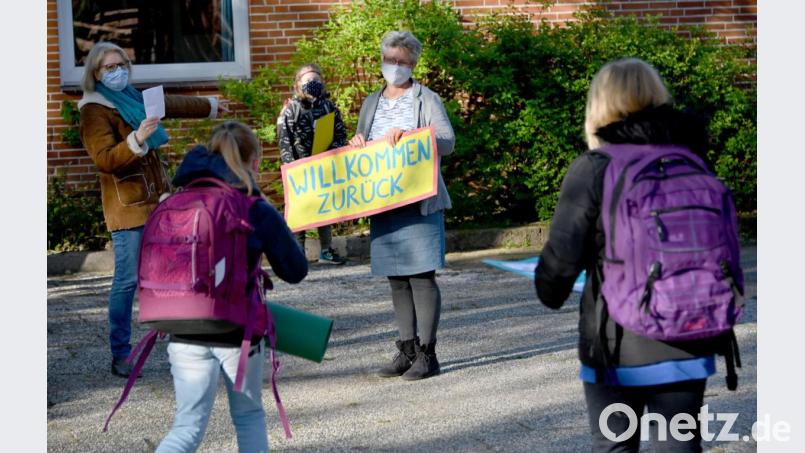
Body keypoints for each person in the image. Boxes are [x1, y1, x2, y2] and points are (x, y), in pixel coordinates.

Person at [534, 58, 724, 452]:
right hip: (689, 334)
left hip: (617, 344)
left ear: (600, 106)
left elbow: (560, 265)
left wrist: (549, 289)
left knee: (615, 446)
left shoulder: (594, 168)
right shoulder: (690, 160)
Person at [155, 121, 308, 452]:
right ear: (254, 161)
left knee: (186, 429)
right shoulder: (255, 208)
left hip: (182, 327)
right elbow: (295, 270)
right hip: (236, 331)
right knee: (248, 416)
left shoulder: (179, 199)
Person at [78, 41, 227, 378]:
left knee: (173, 273)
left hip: (159, 201)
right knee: (127, 281)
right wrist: (137, 139)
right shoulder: (94, 110)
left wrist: (210, 106)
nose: (117, 72)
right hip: (128, 208)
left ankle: (187, 341)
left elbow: (170, 104)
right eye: (109, 68)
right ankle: (121, 353)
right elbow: (104, 160)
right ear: (96, 73)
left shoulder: (131, 97)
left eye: (122, 65)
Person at [348, 31, 455, 380]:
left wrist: (411, 138)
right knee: (396, 278)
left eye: (402, 61)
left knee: (421, 276)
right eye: (389, 59)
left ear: (413, 64)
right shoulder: (371, 102)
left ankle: (428, 354)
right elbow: (364, 145)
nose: (394, 66)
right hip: (383, 201)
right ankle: (406, 350)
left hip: (418, 200)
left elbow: (447, 141)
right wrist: (357, 143)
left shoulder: (427, 99)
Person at [277, 63, 348, 264]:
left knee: (325, 206)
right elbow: (284, 140)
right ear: (298, 84)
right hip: (299, 168)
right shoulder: (290, 110)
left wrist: (333, 152)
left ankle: (326, 249)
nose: (312, 83)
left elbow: (340, 134)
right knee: (299, 209)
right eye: (308, 80)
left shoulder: (328, 107)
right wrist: (292, 167)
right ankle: (298, 251)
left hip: (324, 165)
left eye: (316, 80)